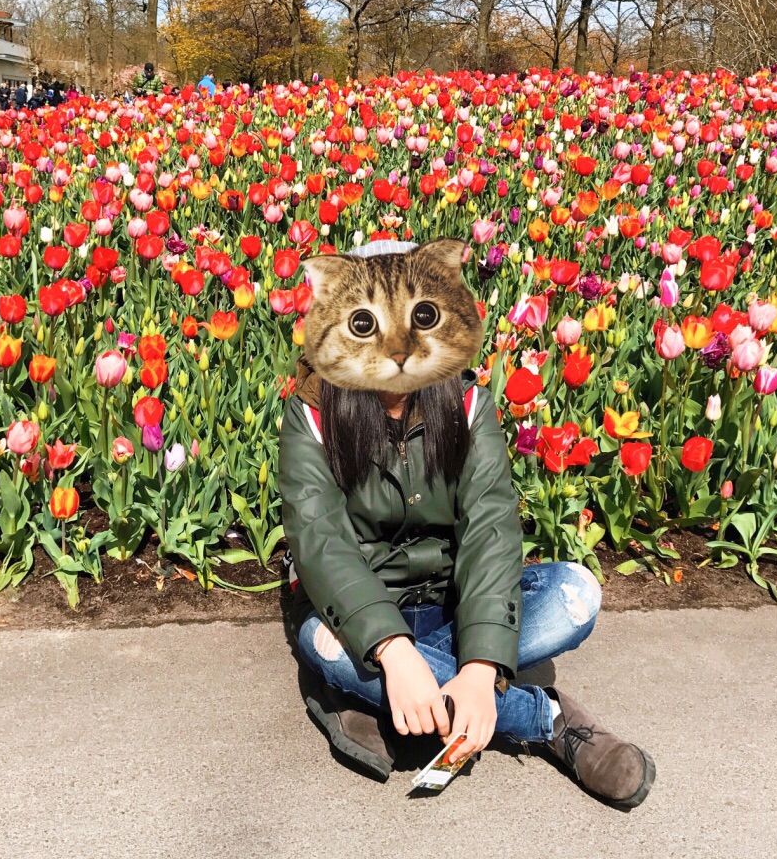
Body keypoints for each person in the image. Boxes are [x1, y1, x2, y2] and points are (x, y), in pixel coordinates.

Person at [280, 238, 655, 807]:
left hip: (453, 604)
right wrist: (392, 650)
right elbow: (320, 544)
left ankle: (387, 698)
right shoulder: (312, 412)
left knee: (577, 594)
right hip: (358, 613)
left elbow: (491, 530)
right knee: (329, 645)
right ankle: (546, 718)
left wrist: (479, 669)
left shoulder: (468, 405)